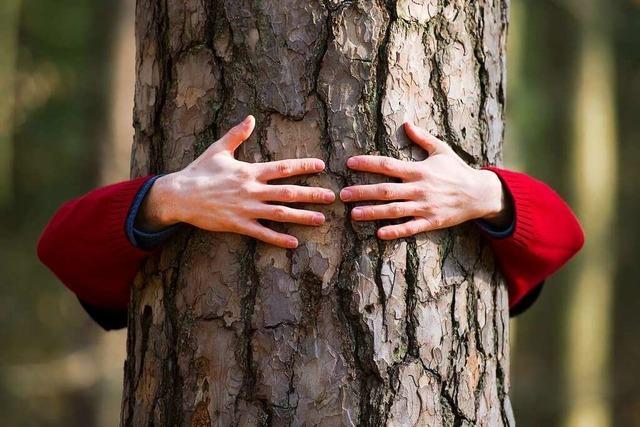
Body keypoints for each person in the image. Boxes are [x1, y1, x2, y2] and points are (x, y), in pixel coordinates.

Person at [37, 116, 584, 330]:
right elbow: (62, 247)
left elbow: (563, 237)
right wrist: (168, 198)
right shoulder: (166, 215)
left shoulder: (492, 261)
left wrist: (487, 192)